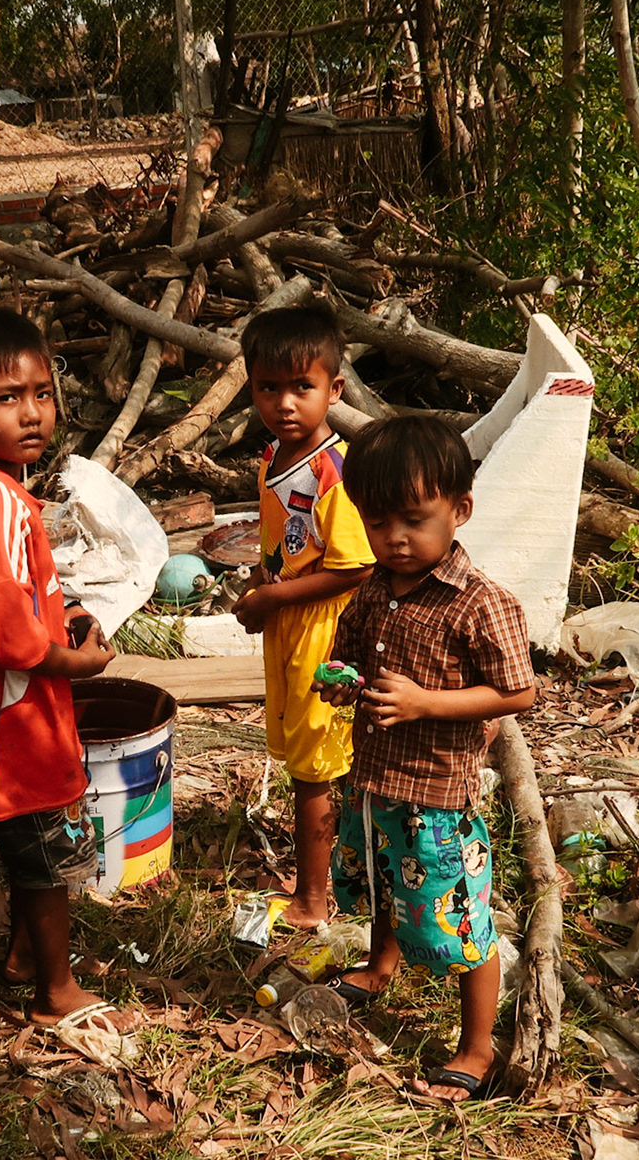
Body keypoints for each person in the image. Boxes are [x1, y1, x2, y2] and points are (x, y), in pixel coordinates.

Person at [314, 415, 541, 1103]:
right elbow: (346, 652)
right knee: (380, 883)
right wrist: (336, 677)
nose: (395, 539)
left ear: (460, 509)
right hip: (373, 779)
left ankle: (477, 1046)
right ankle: (380, 965)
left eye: (413, 520)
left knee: (459, 920)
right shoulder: (376, 588)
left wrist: (425, 703)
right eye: (378, 523)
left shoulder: (481, 603)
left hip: (437, 796)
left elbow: (518, 692)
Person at [0, 306, 134, 1044]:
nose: (32, 414)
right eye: (6, 397)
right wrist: (75, 660)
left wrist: (66, 609)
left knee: (30, 849)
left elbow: (18, 597)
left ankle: (24, 956)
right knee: (45, 858)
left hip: (15, 708)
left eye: (42, 393)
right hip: (14, 716)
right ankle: (57, 990)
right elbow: (2, 630)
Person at [233, 305, 374, 929]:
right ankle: (342, 870)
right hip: (290, 627)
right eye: (269, 387)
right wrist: (259, 584)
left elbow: (354, 566)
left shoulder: (333, 471)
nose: (285, 403)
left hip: (326, 636)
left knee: (316, 768)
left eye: (302, 388)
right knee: (304, 758)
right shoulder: (272, 460)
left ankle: (313, 900)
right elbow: (282, 548)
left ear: (333, 390)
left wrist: (276, 598)